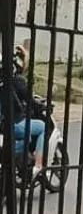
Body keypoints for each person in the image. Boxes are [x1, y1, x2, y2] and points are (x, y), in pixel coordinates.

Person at [9, 43, 45, 171]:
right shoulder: (18, 81)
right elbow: (29, 99)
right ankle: (38, 165)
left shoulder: (5, 81)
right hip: (15, 123)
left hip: (3, 123)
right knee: (42, 127)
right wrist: (40, 105)